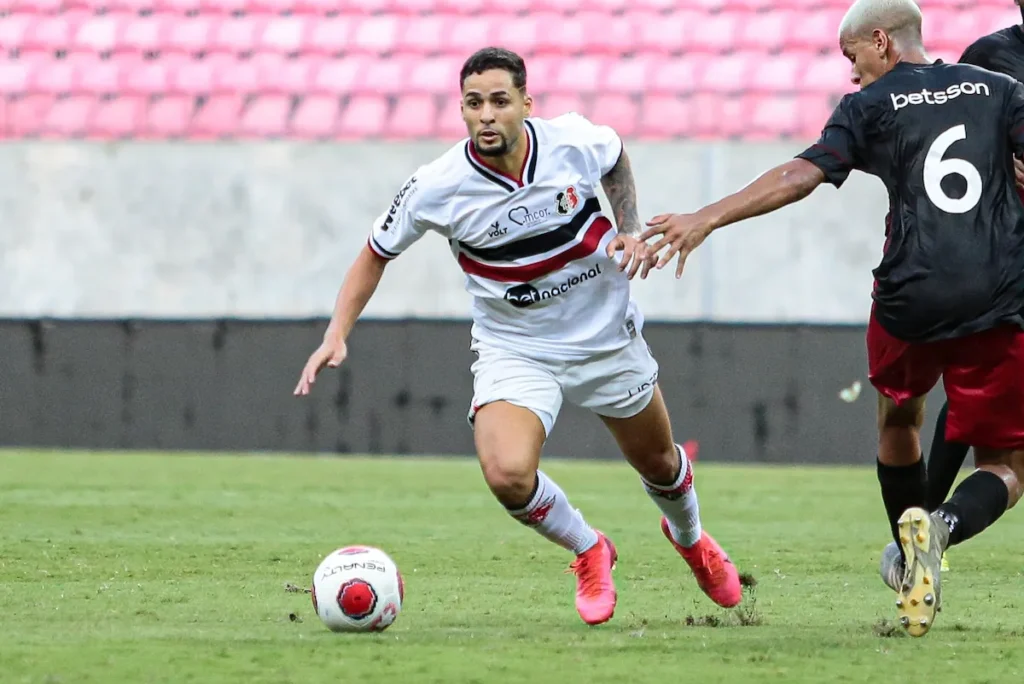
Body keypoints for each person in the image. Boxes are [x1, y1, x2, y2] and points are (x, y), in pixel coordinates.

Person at [293, 47, 742, 626]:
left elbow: (615, 156)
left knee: (659, 463)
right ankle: (589, 549)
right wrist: (337, 333)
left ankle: (691, 540)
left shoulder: (571, 141)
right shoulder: (437, 185)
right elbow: (374, 254)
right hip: (516, 346)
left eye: (499, 101)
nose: (486, 115)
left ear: (526, 104)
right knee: (506, 474)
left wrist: (629, 226)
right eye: (473, 103)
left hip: (605, 336)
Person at [638, 0, 1024, 637]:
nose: (852, 74)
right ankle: (942, 529)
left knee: (898, 420)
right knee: (1005, 466)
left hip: (910, 294)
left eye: (853, 58)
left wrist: (707, 216)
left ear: (882, 41)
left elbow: (800, 175)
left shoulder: (869, 106)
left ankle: (909, 557)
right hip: (997, 292)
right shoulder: (1001, 90)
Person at [922, 0, 1024, 521]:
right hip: (1004, 250)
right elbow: (957, 145)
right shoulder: (990, 57)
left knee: (980, 393)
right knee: (980, 392)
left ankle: (919, 524)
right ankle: (924, 519)